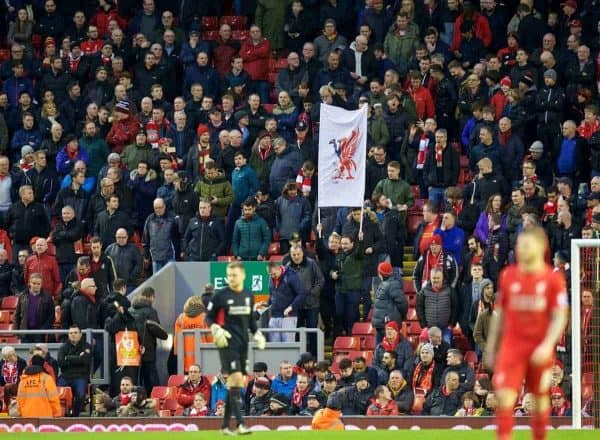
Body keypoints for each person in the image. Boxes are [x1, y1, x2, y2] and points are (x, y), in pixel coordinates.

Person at [485, 227, 569, 440]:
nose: (520, 249)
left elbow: (560, 317)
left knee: (540, 399)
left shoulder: (552, 279)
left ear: (540, 247)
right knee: (504, 397)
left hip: (539, 348)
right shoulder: (508, 275)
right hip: (512, 348)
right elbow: (500, 315)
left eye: (526, 245)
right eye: (519, 245)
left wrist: (547, 345)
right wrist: (491, 346)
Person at [206, 262, 266, 435]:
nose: (231, 278)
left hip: (243, 344)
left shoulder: (248, 295)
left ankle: (225, 426)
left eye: (234, 275)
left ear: (243, 275)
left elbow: (250, 321)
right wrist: (215, 329)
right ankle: (240, 423)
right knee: (236, 380)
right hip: (226, 343)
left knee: (236, 384)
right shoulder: (220, 295)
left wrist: (257, 334)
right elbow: (208, 318)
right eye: (229, 275)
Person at [130, 287, 168, 394]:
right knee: (151, 380)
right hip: (148, 350)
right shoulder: (150, 311)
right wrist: (165, 335)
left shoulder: (130, 310)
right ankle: (155, 402)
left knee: (136, 379)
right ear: (151, 297)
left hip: (132, 351)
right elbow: (155, 328)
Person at [57, 324, 92, 417]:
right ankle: (62, 414)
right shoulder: (63, 347)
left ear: (80, 334)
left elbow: (86, 361)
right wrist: (78, 358)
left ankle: (74, 416)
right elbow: (61, 363)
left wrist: (68, 358)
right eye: (71, 333)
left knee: (80, 395)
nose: (73, 334)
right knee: (57, 392)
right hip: (66, 376)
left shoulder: (87, 346)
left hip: (81, 376)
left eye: (75, 332)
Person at [13, 273, 54, 343]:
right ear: (29, 283)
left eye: (38, 284)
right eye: (34, 283)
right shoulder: (22, 296)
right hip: (25, 332)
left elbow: (51, 316)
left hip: (39, 333)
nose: (36, 286)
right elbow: (17, 315)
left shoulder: (47, 297)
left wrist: (43, 330)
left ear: (41, 284)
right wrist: (16, 331)